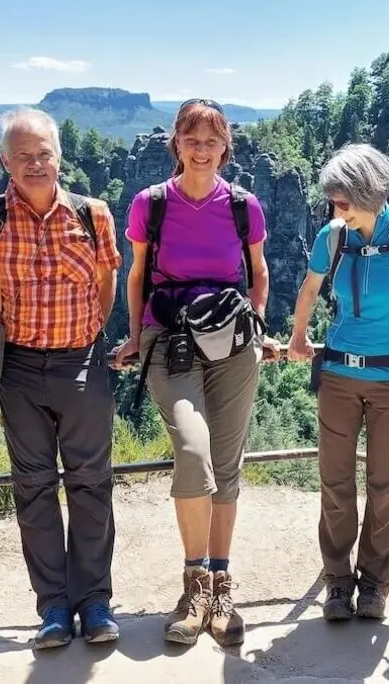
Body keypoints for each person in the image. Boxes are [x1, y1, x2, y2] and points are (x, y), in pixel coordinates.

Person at [0, 107, 123, 649]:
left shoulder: (93, 214)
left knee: (92, 483)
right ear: (4, 160)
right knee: (34, 488)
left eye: (43, 153)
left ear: (59, 155)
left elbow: (106, 281)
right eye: (22, 155)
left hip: (83, 363)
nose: (34, 163)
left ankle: (94, 602)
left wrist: (90, 333)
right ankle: (51, 607)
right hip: (19, 366)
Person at [112, 99, 277, 647]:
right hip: (171, 338)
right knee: (193, 451)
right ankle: (193, 582)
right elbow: (136, 274)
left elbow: (259, 272)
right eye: (191, 138)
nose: (201, 149)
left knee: (226, 465)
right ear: (176, 144)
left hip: (233, 341)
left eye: (211, 140)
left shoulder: (243, 205)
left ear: (225, 146)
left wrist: (259, 322)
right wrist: (136, 336)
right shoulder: (150, 203)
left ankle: (220, 584)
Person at [286, 143, 389, 623]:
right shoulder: (332, 238)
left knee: (384, 484)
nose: (336, 209)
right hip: (336, 375)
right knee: (335, 483)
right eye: (334, 201)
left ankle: (374, 585)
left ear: (368, 193)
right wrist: (297, 337)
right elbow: (310, 289)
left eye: (342, 200)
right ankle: (338, 583)